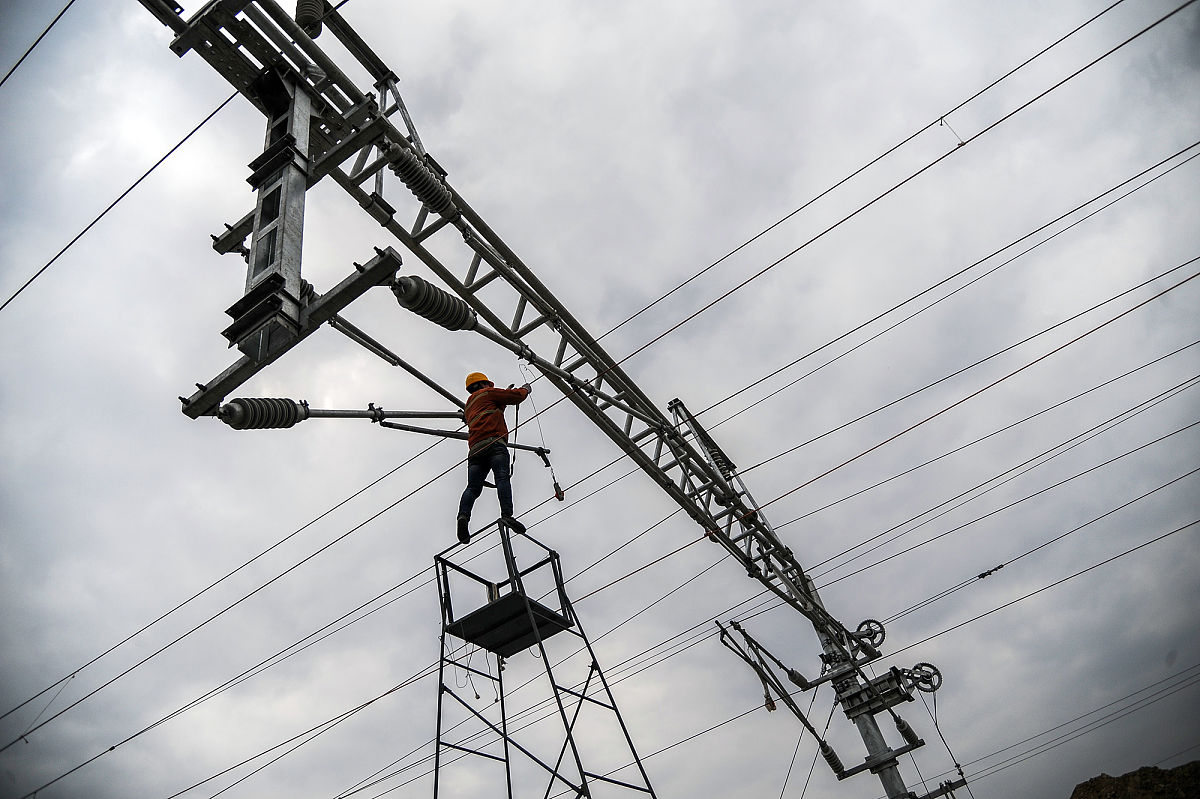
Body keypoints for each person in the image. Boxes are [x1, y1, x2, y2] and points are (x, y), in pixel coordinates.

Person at [456, 371, 531, 544]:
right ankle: (507, 515)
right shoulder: (488, 393)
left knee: (472, 488)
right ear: (483, 384)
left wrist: (502, 401)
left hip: (475, 449)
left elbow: (492, 410)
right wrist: (525, 390)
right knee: (502, 478)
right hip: (495, 443)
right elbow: (516, 397)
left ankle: (463, 517)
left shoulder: (469, 405)